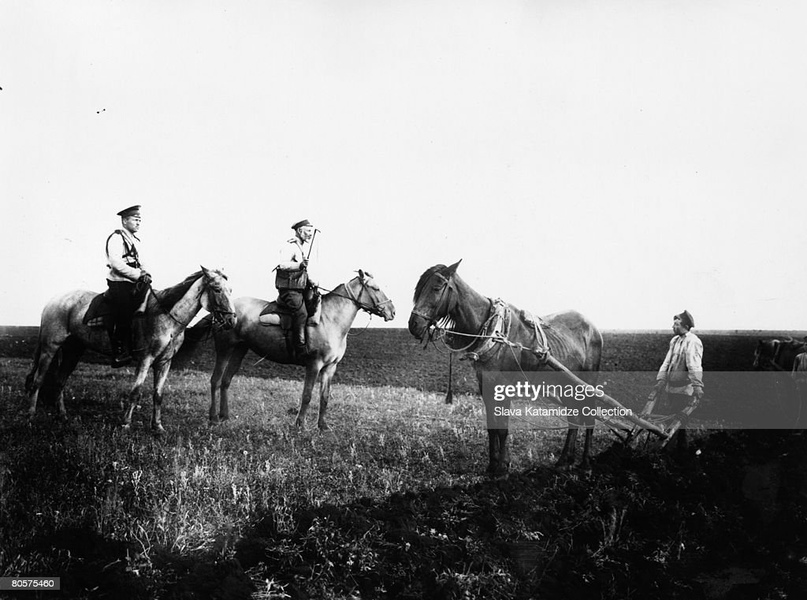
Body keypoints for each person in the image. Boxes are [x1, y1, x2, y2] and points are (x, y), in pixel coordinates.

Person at [648, 310, 704, 452]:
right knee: (677, 420)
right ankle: (680, 449)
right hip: (671, 387)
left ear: (685, 325)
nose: (673, 326)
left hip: (684, 389)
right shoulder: (675, 341)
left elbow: (694, 365)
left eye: (676, 324)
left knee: (678, 420)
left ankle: (670, 450)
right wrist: (661, 380)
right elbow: (667, 362)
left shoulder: (693, 342)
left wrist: (697, 386)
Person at [106, 205, 151, 367]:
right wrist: (138, 275)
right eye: (135, 219)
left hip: (134, 282)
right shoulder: (116, 238)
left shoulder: (135, 240)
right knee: (124, 311)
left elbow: (141, 262)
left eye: (140, 219)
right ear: (124, 221)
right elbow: (116, 263)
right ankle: (118, 352)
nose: (138, 222)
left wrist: (146, 273)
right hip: (119, 282)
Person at [274, 219, 321, 358]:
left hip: (301, 288)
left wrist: (312, 282)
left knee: (315, 305)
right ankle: (299, 348)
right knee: (302, 314)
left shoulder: (301, 247)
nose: (310, 235)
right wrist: (299, 265)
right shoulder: (290, 246)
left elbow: (304, 272)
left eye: (311, 232)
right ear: (299, 231)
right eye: (307, 232)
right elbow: (282, 265)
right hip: (289, 290)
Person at [791, 336, 807, 428]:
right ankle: (799, 425)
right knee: (803, 403)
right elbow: (794, 372)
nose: (806, 346)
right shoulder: (799, 357)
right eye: (805, 344)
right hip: (802, 384)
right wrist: (796, 382)